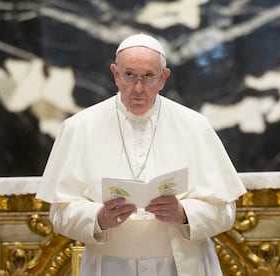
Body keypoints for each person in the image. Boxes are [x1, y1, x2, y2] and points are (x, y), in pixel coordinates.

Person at [36, 33, 247, 276]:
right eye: (129, 76)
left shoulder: (194, 126)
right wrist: (99, 217)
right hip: (109, 267)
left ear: (163, 78)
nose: (138, 88)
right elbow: (59, 214)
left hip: (180, 265)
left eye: (148, 76)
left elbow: (226, 211)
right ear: (115, 74)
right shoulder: (80, 127)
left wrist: (184, 213)